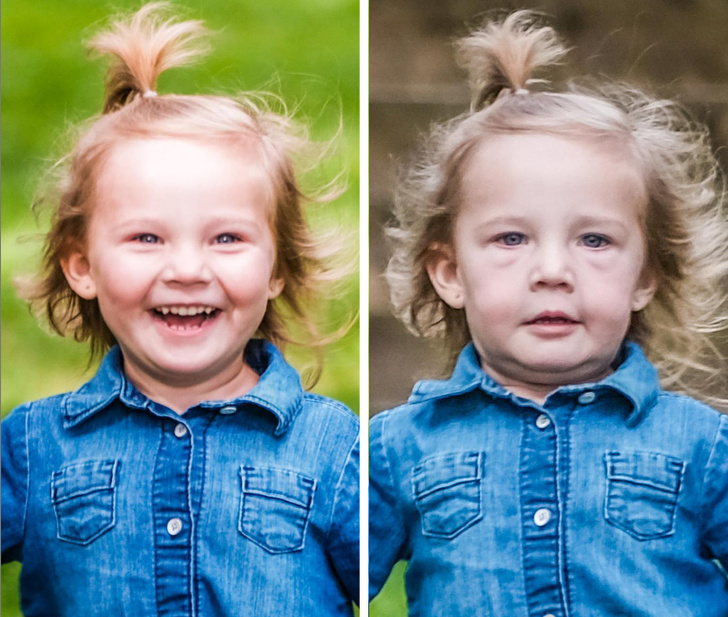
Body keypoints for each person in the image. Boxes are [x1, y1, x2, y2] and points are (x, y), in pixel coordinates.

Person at [1, 4, 358, 616]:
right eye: (147, 238)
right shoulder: (34, 446)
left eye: (226, 239)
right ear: (81, 266)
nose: (189, 269)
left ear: (277, 269)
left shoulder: (334, 447)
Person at [369, 11, 728, 617]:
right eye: (511, 239)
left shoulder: (703, 445)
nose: (553, 270)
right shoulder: (399, 448)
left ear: (645, 277)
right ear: (451, 273)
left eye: (594, 241)